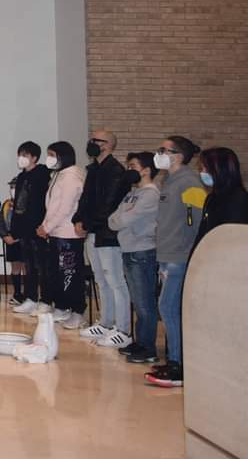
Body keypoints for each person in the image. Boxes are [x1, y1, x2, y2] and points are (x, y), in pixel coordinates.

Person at [145, 136, 203, 389]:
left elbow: (196, 220)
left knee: (168, 307)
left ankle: (179, 363)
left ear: (178, 156)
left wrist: (185, 250)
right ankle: (174, 359)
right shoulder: (169, 181)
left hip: (179, 255)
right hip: (166, 254)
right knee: (168, 308)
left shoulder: (190, 182)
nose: (159, 154)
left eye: (164, 150)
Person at [74, 130, 133, 349]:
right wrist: (78, 219)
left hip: (108, 234)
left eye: (96, 140)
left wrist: (88, 223)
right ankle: (106, 323)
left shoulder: (116, 171)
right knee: (101, 279)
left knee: (115, 281)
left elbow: (109, 204)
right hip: (93, 232)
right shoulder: (93, 169)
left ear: (107, 145)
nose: (91, 143)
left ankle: (123, 329)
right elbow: (85, 199)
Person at [108, 152, 160, 364]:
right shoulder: (132, 194)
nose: (129, 170)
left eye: (133, 166)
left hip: (142, 251)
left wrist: (120, 219)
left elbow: (123, 220)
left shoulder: (151, 194)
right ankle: (140, 341)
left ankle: (148, 348)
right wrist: (119, 219)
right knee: (138, 301)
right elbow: (113, 219)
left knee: (145, 302)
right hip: (129, 249)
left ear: (146, 170)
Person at [37, 141, 87, 330]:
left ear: (63, 156)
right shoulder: (59, 174)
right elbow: (51, 205)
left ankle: (77, 311)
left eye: (52, 155)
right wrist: (45, 226)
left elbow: (65, 208)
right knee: (56, 273)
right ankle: (62, 305)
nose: (49, 159)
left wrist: (47, 227)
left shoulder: (72, 176)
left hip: (68, 234)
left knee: (69, 273)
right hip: (56, 233)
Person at [8, 141, 53, 317]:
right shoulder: (21, 177)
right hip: (24, 227)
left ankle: (46, 300)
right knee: (28, 265)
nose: (21, 158)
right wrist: (15, 228)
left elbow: (43, 203)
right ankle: (31, 298)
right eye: (20, 155)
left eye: (25, 155)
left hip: (38, 226)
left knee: (42, 265)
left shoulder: (42, 175)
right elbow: (18, 204)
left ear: (34, 158)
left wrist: (44, 224)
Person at [192, 147, 248, 254]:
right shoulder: (211, 198)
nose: (202, 173)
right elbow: (202, 232)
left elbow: (234, 238)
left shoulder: (239, 200)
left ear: (219, 170)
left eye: (204, 168)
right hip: (208, 255)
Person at [1, 178, 25, 305]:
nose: (13, 189)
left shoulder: (26, 204)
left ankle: (28, 294)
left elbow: (29, 223)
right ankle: (17, 293)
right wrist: (5, 236)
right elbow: (1, 222)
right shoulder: (6, 204)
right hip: (10, 240)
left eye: (15, 187)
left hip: (23, 240)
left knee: (26, 266)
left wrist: (18, 237)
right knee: (15, 266)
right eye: (11, 187)